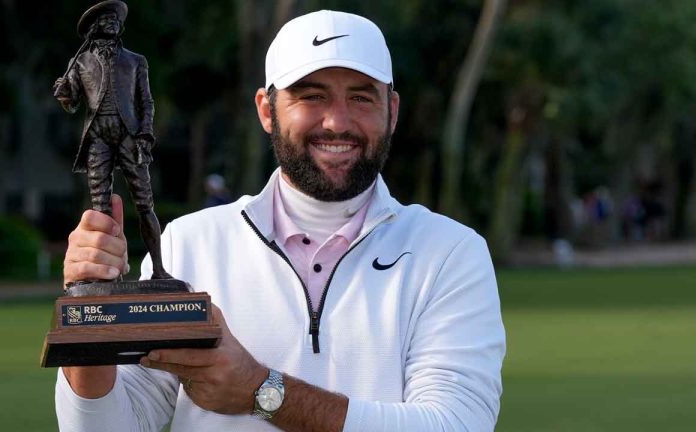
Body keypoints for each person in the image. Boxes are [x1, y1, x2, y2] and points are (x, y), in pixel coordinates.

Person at [56, 9, 505, 432]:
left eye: (361, 98)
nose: (337, 121)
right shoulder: (191, 243)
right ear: (267, 111)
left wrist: (262, 390)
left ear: (392, 110)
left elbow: (456, 424)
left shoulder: (448, 253)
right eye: (312, 96)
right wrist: (87, 314)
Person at [53, 0, 170, 279]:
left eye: (116, 20)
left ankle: (159, 269)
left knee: (144, 203)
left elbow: (147, 103)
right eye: (106, 19)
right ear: (95, 28)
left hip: (129, 134)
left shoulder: (135, 61)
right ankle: (108, 275)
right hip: (98, 136)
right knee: (100, 207)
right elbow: (71, 104)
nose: (113, 23)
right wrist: (64, 93)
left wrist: (145, 136)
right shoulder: (79, 62)